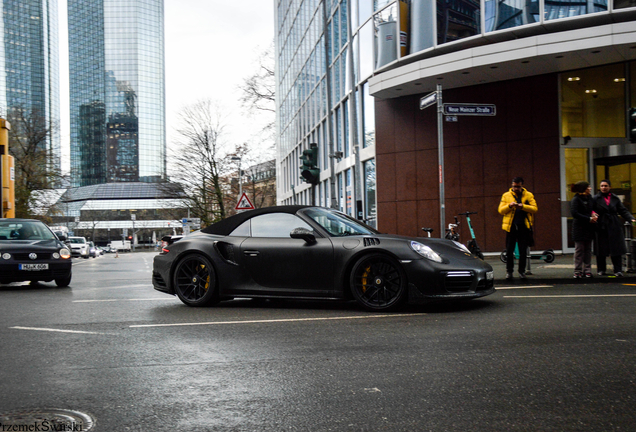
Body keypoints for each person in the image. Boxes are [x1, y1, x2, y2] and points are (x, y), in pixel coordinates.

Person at [592, 179, 636, 277]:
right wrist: (593, 215)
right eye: (602, 186)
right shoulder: (595, 198)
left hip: (613, 224)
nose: (604, 187)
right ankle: (601, 269)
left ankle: (618, 270)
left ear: (610, 187)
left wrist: (631, 219)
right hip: (601, 224)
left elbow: (622, 210)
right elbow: (591, 209)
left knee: (616, 248)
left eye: (606, 186)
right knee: (601, 248)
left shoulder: (615, 198)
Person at [498, 177, 538, 280]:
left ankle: (522, 271)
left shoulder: (528, 195)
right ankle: (509, 272)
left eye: (518, 187)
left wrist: (523, 206)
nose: (516, 188)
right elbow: (501, 210)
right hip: (510, 226)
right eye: (514, 186)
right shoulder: (506, 195)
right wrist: (510, 206)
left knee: (523, 250)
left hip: (523, 226)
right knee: (509, 250)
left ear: (522, 186)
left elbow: (534, 208)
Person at [570, 181, 598, 278]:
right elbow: (574, 213)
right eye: (588, 187)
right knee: (579, 250)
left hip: (589, 228)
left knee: (587, 250)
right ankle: (577, 271)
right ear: (583, 189)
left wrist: (594, 214)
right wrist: (589, 218)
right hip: (579, 228)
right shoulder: (576, 199)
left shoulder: (590, 198)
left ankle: (587, 270)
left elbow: (593, 208)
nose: (590, 188)